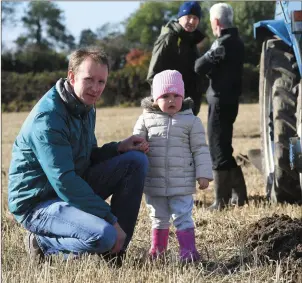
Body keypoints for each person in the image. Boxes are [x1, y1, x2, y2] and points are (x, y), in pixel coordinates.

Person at [8, 46, 149, 263]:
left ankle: (116, 253)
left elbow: (88, 156)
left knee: (135, 161)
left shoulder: (86, 107)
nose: (95, 88)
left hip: (69, 186)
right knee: (104, 234)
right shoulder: (48, 119)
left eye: (101, 82)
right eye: (89, 79)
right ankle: (42, 243)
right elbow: (64, 181)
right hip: (38, 202)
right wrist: (110, 219)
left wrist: (119, 147)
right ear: (72, 77)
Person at [133, 70, 213, 262]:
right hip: (154, 181)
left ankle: (188, 252)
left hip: (182, 182)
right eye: (165, 96)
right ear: (155, 99)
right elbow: (134, 143)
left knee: (183, 216)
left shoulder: (191, 121)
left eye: (176, 95)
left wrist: (203, 174)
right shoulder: (145, 119)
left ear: (183, 97)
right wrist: (139, 146)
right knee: (158, 217)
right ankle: (157, 252)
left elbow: (200, 149)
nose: (172, 100)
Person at [194, 3, 248, 210]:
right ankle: (240, 196)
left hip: (219, 101)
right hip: (231, 100)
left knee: (218, 150)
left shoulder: (222, 43)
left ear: (216, 22)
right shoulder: (238, 41)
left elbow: (199, 66)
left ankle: (221, 201)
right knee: (224, 147)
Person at [147, 1, 206, 116]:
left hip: (187, 106)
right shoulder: (169, 38)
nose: (192, 21)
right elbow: (153, 74)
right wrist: (163, 102)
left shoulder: (190, 40)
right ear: (180, 17)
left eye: (195, 18)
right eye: (188, 17)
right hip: (171, 107)